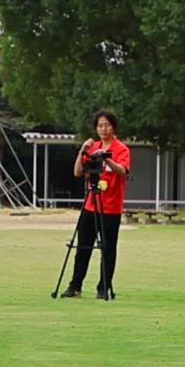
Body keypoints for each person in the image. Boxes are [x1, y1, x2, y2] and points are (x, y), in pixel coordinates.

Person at [62, 109, 131, 300]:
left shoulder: (121, 149)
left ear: (113, 127)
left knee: (108, 249)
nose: (103, 129)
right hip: (91, 205)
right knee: (83, 246)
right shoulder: (93, 148)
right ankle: (75, 285)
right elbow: (77, 172)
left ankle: (104, 287)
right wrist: (82, 151)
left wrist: (107, 158)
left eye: (106, 125)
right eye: (100, 125)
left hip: (110, 207)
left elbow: (122, 171)